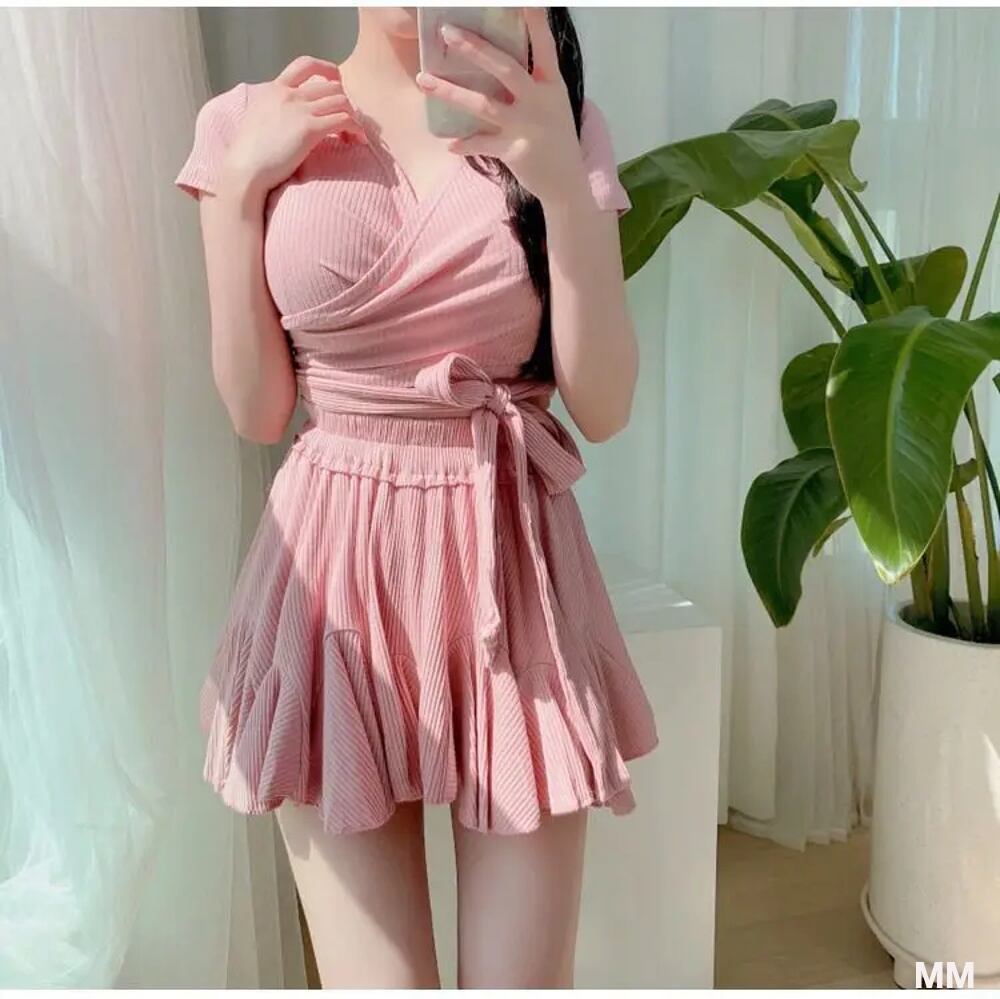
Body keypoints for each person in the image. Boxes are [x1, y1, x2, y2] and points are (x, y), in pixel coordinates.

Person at [175, 6, 658, 988]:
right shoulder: (247, 122)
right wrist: (239, 191)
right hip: (332, 579)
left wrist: (560, 181)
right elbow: (257, 410)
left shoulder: (556, 120)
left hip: (508, 571)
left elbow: (603, 404)